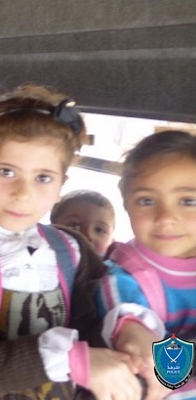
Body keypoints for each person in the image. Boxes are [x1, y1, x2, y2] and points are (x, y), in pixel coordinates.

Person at [0, 85, 143, 399]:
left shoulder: (73, 250)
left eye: (43, 177)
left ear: (61, 186)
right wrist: (75, 360)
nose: (23, 193)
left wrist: (130, 331)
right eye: (7, 172)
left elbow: (96, 320)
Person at [96, 130, 196, 400]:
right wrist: (135, 335)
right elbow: (127, 317)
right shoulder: (125, 277)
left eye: (188, 201)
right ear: (127, 206)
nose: (165, 217)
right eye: (146, 201)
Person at [50, 190, 116, 257]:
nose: (87, 236)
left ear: (112, 241)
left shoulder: (115, 262)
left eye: (99, 230)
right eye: (74, 226)